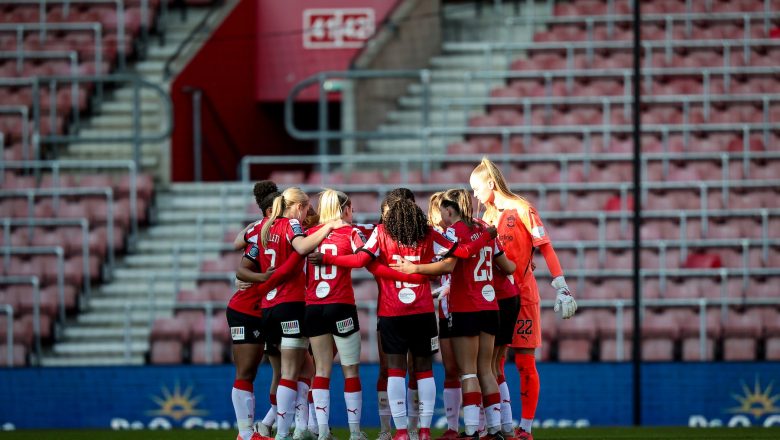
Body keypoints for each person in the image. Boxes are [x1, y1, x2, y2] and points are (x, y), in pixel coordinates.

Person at [305, 189, 431, 440]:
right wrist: (415, 274)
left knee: (321, 369)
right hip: (354, 306)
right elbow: (363, 258)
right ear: (345, 208)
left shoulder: (308, 236)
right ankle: (379, 431)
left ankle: (315, 429)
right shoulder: (359, 231)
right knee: (372, 370)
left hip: (314, 307)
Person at [469, 158, 577, 440]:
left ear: (491, 184)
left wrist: (561, 286)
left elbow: (546, 247)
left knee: (525, 363)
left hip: (524, 296)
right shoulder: (487, 217)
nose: (475, 195)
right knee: (494, 363)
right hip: (493, 297)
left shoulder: (523, 209)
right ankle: (499, 424)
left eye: (477, 188)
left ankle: (525, 429)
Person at [251, 187, 343, 440]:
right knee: (291, 372)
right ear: (300, 206)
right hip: (290, 303)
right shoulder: (291, 223)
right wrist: (329, 227)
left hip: (267, 306)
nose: (305, 216)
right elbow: (301, 246)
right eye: (306, 210)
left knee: (302, 368)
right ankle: (283, 432)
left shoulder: (262, 228)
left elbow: (241, 244)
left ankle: (301, 427)